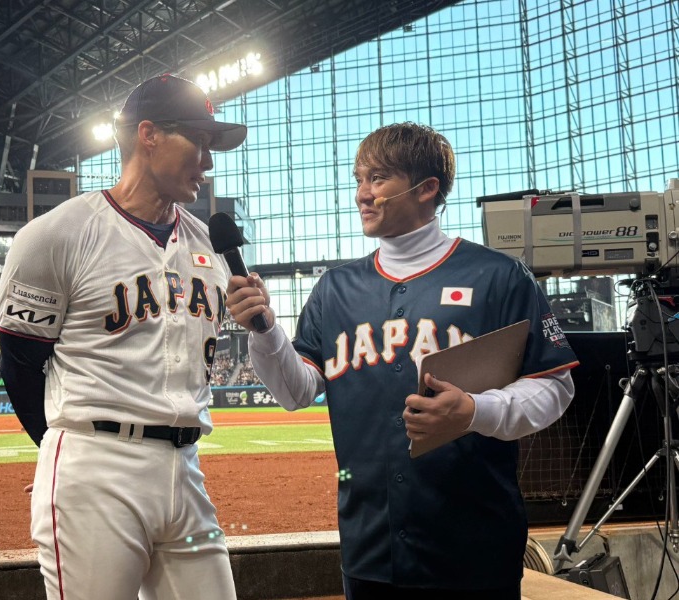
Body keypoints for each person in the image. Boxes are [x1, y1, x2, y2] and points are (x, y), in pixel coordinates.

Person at [226, 122, 579, 599]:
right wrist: (266, 331)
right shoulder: (335, 289)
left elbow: (555, 385)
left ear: (427, 188)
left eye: (378, 179)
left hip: (475, 545)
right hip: (371, 544)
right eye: (357, 180)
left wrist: (476, 412)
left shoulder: (498, 276)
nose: (361, 194)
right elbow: (296, 392)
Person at [0, 74, 246, 600]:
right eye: (198, 142)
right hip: (97, 465)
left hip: (186, 466)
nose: (208, 159)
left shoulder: (209, 245)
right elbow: (19, 362)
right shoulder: (57, 234)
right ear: (148, 135)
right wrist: (56, 452)